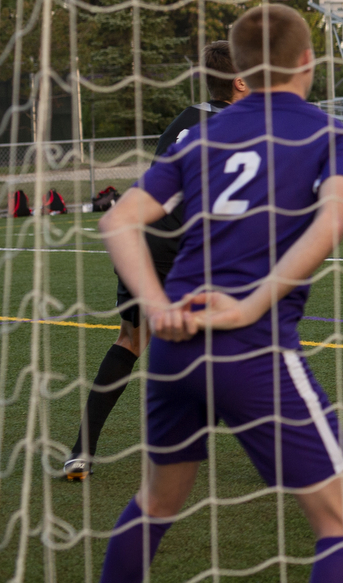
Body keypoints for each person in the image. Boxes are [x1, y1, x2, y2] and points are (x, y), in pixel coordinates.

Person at [97, 5, 343, 583]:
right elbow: (330, 224)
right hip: (252, 345)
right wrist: (250, 305)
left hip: (174, 345)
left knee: (156, 502)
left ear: (242, 69)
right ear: (307, 61)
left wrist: (156, 308)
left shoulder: (199, 135)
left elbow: (118, 220)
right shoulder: (332, 134)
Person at [63, 41, 252, 480]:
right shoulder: (243, 125)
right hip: (180, 247)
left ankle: (80, 452)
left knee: (130, 340)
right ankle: (279, 449)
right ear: (241, 82)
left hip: (136, 238)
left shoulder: (186, 118)